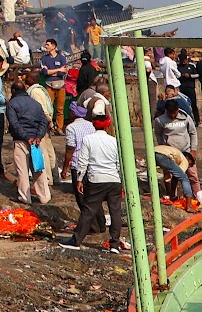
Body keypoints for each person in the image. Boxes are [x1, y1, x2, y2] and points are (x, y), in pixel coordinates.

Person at [61, 107, 125, 252]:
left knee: (88, 211)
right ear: (108, 126)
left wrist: (79, 179)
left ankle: (76, 240)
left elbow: (83, 161)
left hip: (96, 179)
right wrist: (121, 182)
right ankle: (115, 244)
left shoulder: (88, 140)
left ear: (93, 125)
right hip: (114, 179)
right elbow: (119, 163)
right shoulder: (114, 141)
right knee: (115, 212)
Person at [7, 80, 53, 204]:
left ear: (13, 91)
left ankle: (24, 197)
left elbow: (14, 124)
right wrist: (38, 136)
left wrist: (26, 137)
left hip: (21, 141)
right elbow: (43, 121)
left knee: (22, 170)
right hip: (37, 142)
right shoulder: (36, 104)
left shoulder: (12, 104)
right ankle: (44, 197)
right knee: (38, 169)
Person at [62, 103, 97, 214]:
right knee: (92, 196)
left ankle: (92, 225)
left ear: (72, 113)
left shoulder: (71, 127)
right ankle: (100, 224)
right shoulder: (91, 125)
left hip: (77, 165)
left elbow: (70, 149)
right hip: (91, 164)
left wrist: (65, 168)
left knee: (81, 198)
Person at [39, 38, 69, 130]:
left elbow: (62, 72)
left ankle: (59, 128)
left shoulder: (62, 58)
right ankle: (50, 127)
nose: (46, 46)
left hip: (61, 85)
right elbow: (45, 72)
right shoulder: (44, 59)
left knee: (60, 109)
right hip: (49, 85)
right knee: (48, 108)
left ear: (54, 46)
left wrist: (52, 71)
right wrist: (57, 70)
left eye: (47, 45)